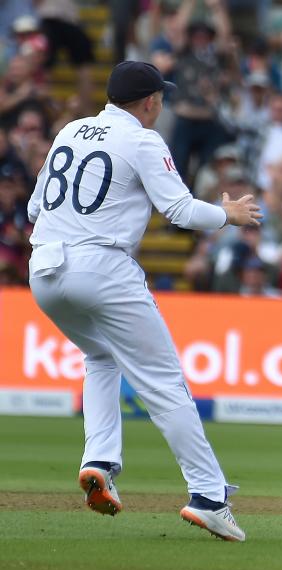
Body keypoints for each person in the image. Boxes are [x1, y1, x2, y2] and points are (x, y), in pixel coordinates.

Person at [26, 61, 260, 541]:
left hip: (44, 268)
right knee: (164, 384)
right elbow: (178, 210)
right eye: (161, 98)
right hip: (102, 267)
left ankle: (99, 462)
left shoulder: (71, 130)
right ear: (151, 101)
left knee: (100, 355)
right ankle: (209, 497)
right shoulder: (143, 139)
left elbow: (34, 207)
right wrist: (228, 214)